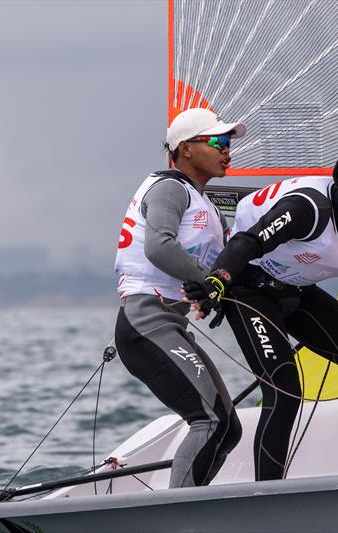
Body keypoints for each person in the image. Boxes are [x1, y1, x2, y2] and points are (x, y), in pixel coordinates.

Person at [183, 144, 338, 481]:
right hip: (249, 288)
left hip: (296, 290)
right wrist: (218, 281)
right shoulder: (307, 209)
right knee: (285, 389)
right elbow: (247, 242)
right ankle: (267, 496)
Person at [113, 107, 245, 488]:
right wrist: (205, 280)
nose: (227, 150)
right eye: (218, 141)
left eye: (229, 142)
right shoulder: (169, 187)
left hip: (169, 324)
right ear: (185, 149)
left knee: (228, 428)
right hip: (145, 325)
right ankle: (179, 514)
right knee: (210, 420)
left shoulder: (203, 201)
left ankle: (190, 506)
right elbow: (158, 247)